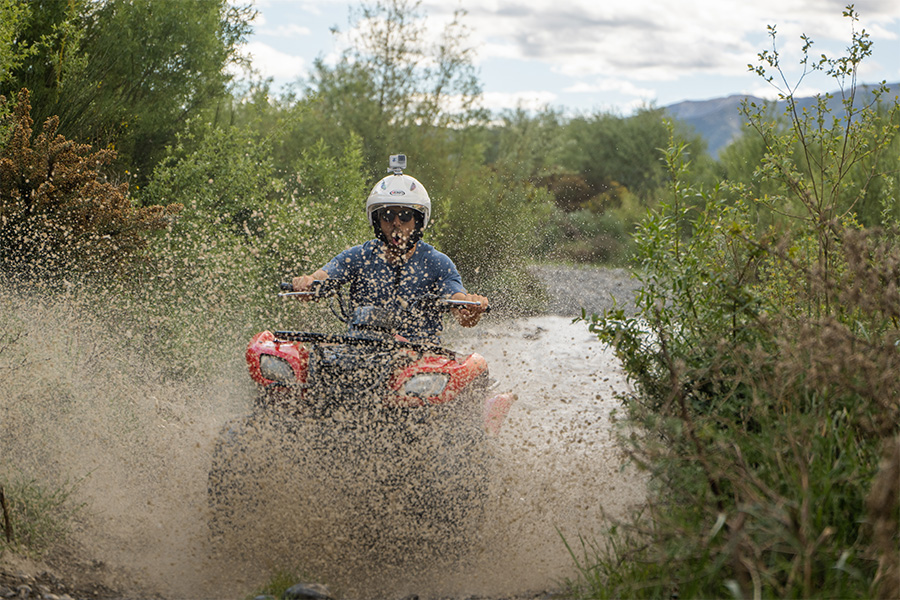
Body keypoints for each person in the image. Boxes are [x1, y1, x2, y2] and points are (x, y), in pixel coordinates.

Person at [291, 159, 488, 344]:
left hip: (420, 357)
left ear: (418, 221)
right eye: (387, 215)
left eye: (405, 216)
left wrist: (470, 307)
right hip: (360, 352)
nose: (396, 223)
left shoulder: (438, 263)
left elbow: (460, 307)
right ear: (377, 221)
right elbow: (323, 276)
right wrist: (307, 282)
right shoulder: (358, 257)